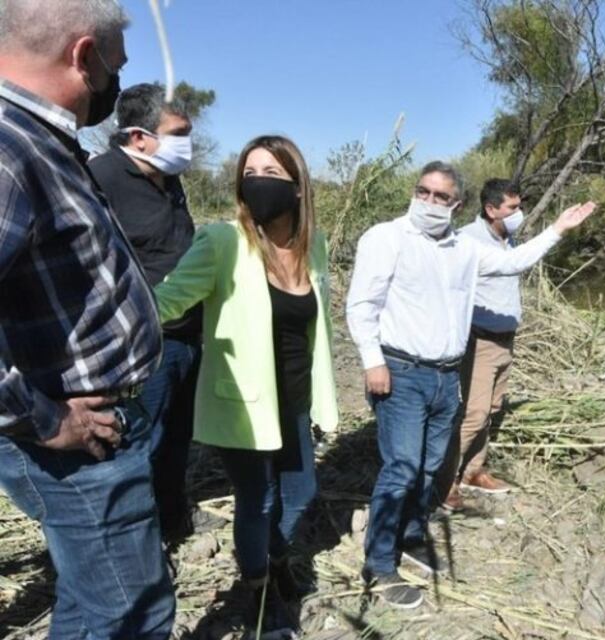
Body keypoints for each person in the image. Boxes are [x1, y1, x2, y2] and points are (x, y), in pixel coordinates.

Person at [0, 1, 175, 637]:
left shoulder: (41, 141)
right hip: (74, 443)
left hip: (97, 431)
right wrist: (45, 420)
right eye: (114, 66)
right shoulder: (9, 150)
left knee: (89, 601)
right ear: (83, 56)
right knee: (133, 615)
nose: (115, 84)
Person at [346, 161, 595, 609]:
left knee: (429, 466)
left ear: (456, 204)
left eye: (440, 196)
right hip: (401, 372)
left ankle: (412, 535)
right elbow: (362, 305)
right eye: (423, 192)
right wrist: (372, 362)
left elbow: (513, 261)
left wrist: (558, 228)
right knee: (401, 468)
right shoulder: (386, 238)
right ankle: (380, 563)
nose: (429, 202)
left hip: (446, 376)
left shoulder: (464, 248)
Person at [154, 135, 339, 634]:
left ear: (298, 187)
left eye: (271, 174)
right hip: (243, 403)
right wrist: (118, 311)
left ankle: (274, 557)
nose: (258, 183)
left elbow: (318, 326)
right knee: (258, 500)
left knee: (301, 493)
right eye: (249, 174)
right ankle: (258, 592)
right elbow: (170, 299)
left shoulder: (314, 246)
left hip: (295, 399)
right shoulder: (224, 242)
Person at [89, 83, 201, 546]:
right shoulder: (99, 178)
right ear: (139, 137)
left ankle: (172, 517)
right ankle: (139, 540)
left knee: (177, 437)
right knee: (142, 442)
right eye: (179, 132)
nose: (188, 142)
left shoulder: (169, 180)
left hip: (188, 335)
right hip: (141, 344)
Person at [437, 179, 526, 511]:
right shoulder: (468, 241)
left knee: (491, 409)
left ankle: (473, 471)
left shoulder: (508, 239)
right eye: (512, 208)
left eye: (519, 206)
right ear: (491, 209)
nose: (519, 213)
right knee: (474, 414)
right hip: (480, 341)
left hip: (505, 341)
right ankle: (443, 483)